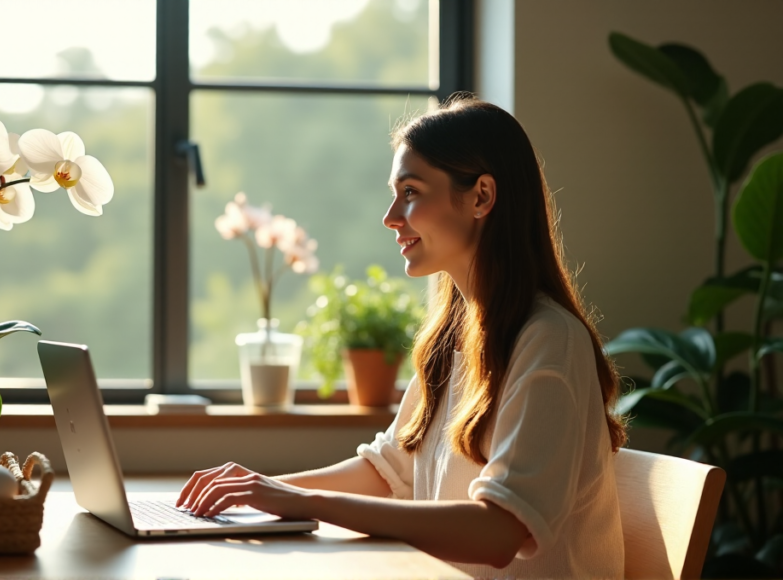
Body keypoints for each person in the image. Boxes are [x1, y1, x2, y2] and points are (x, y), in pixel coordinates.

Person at [176, 94, 626, 578]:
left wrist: (301, 500)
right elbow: (388, 472)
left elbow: (500, 532)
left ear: (481, 197)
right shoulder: (453, 341)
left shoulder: (550, 341)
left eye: (410, 192)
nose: (391, 216)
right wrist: (257, 491)